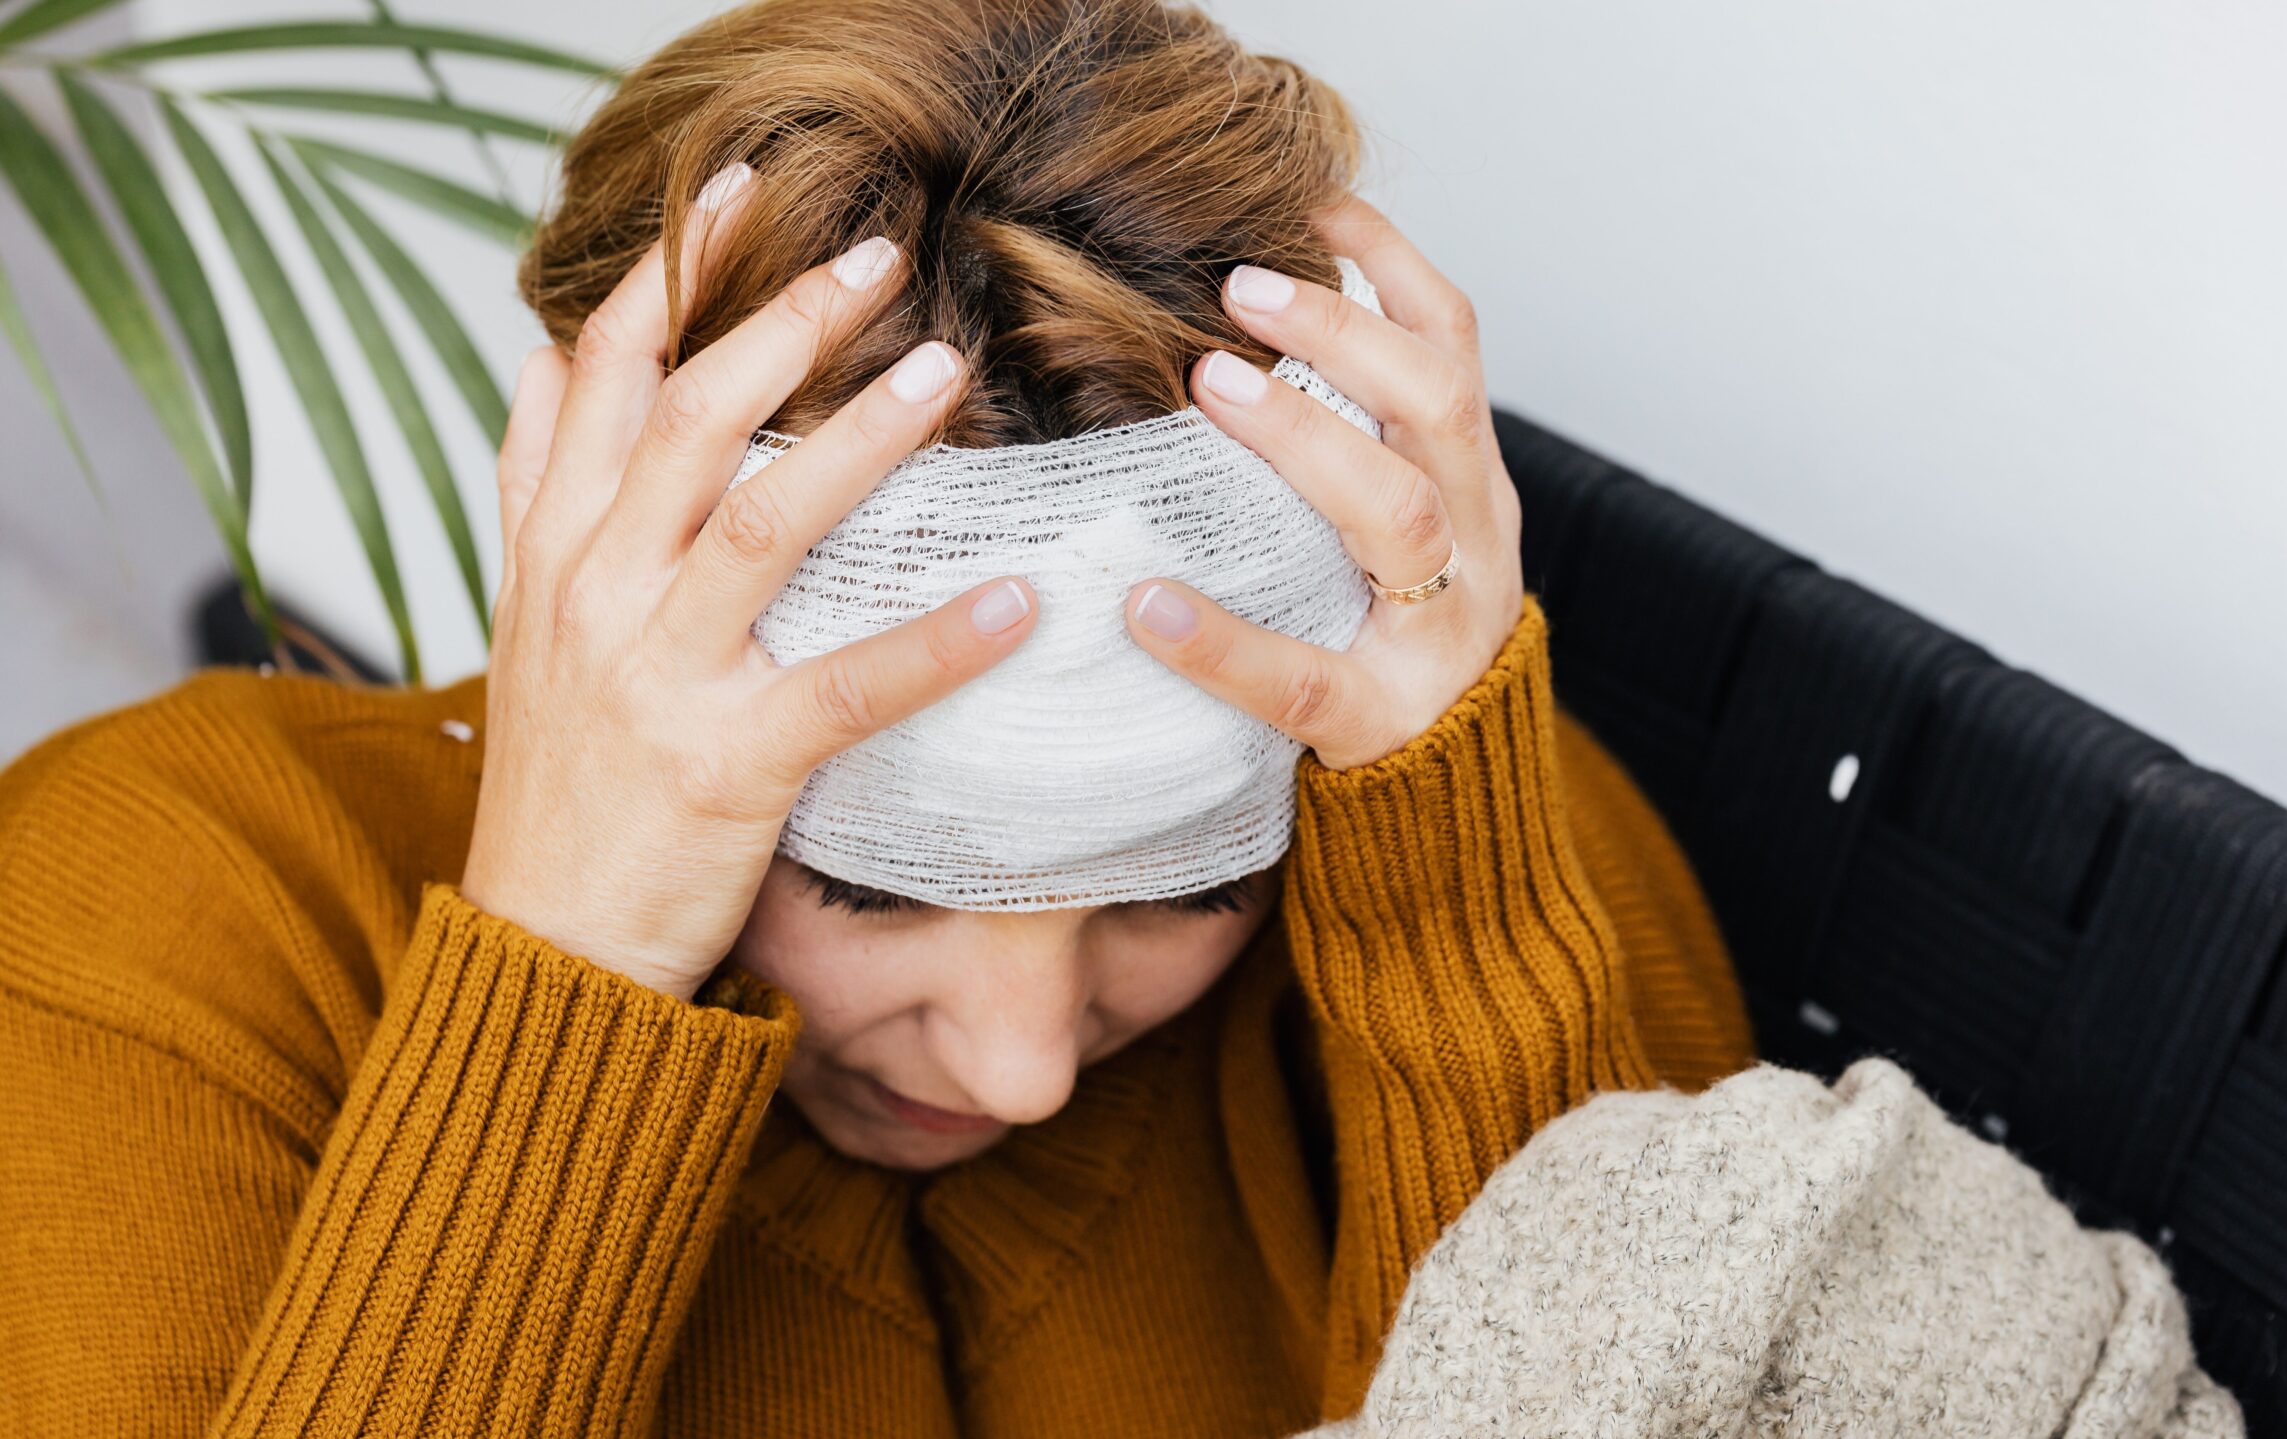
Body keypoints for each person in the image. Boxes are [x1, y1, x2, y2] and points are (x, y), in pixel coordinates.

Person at [0, 0, 1753, 1433]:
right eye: (871, 883)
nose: (1024, 1065)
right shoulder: (162, 914)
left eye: (1187, 885)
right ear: (571, 544)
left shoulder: (1452, 818)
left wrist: (1461, 901)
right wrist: (574, 970)